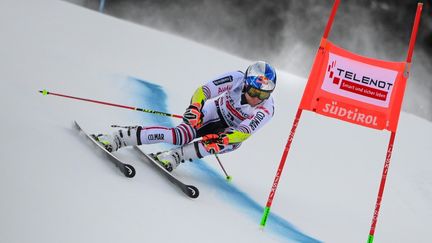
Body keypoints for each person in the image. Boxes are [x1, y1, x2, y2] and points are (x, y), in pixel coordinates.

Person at [94, 61, 277, 172]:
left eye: (263, 95)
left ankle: (175, 157)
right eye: (254, 91)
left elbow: (244, 132)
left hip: (230, 130)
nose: (256, 98)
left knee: (226, 143)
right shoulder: (236, 78)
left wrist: (225, 137)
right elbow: (204, 91)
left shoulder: (267, 109)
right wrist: (196, 107)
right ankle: (120, 137)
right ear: (246, 84)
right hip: (212, 112)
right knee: (181, 135)